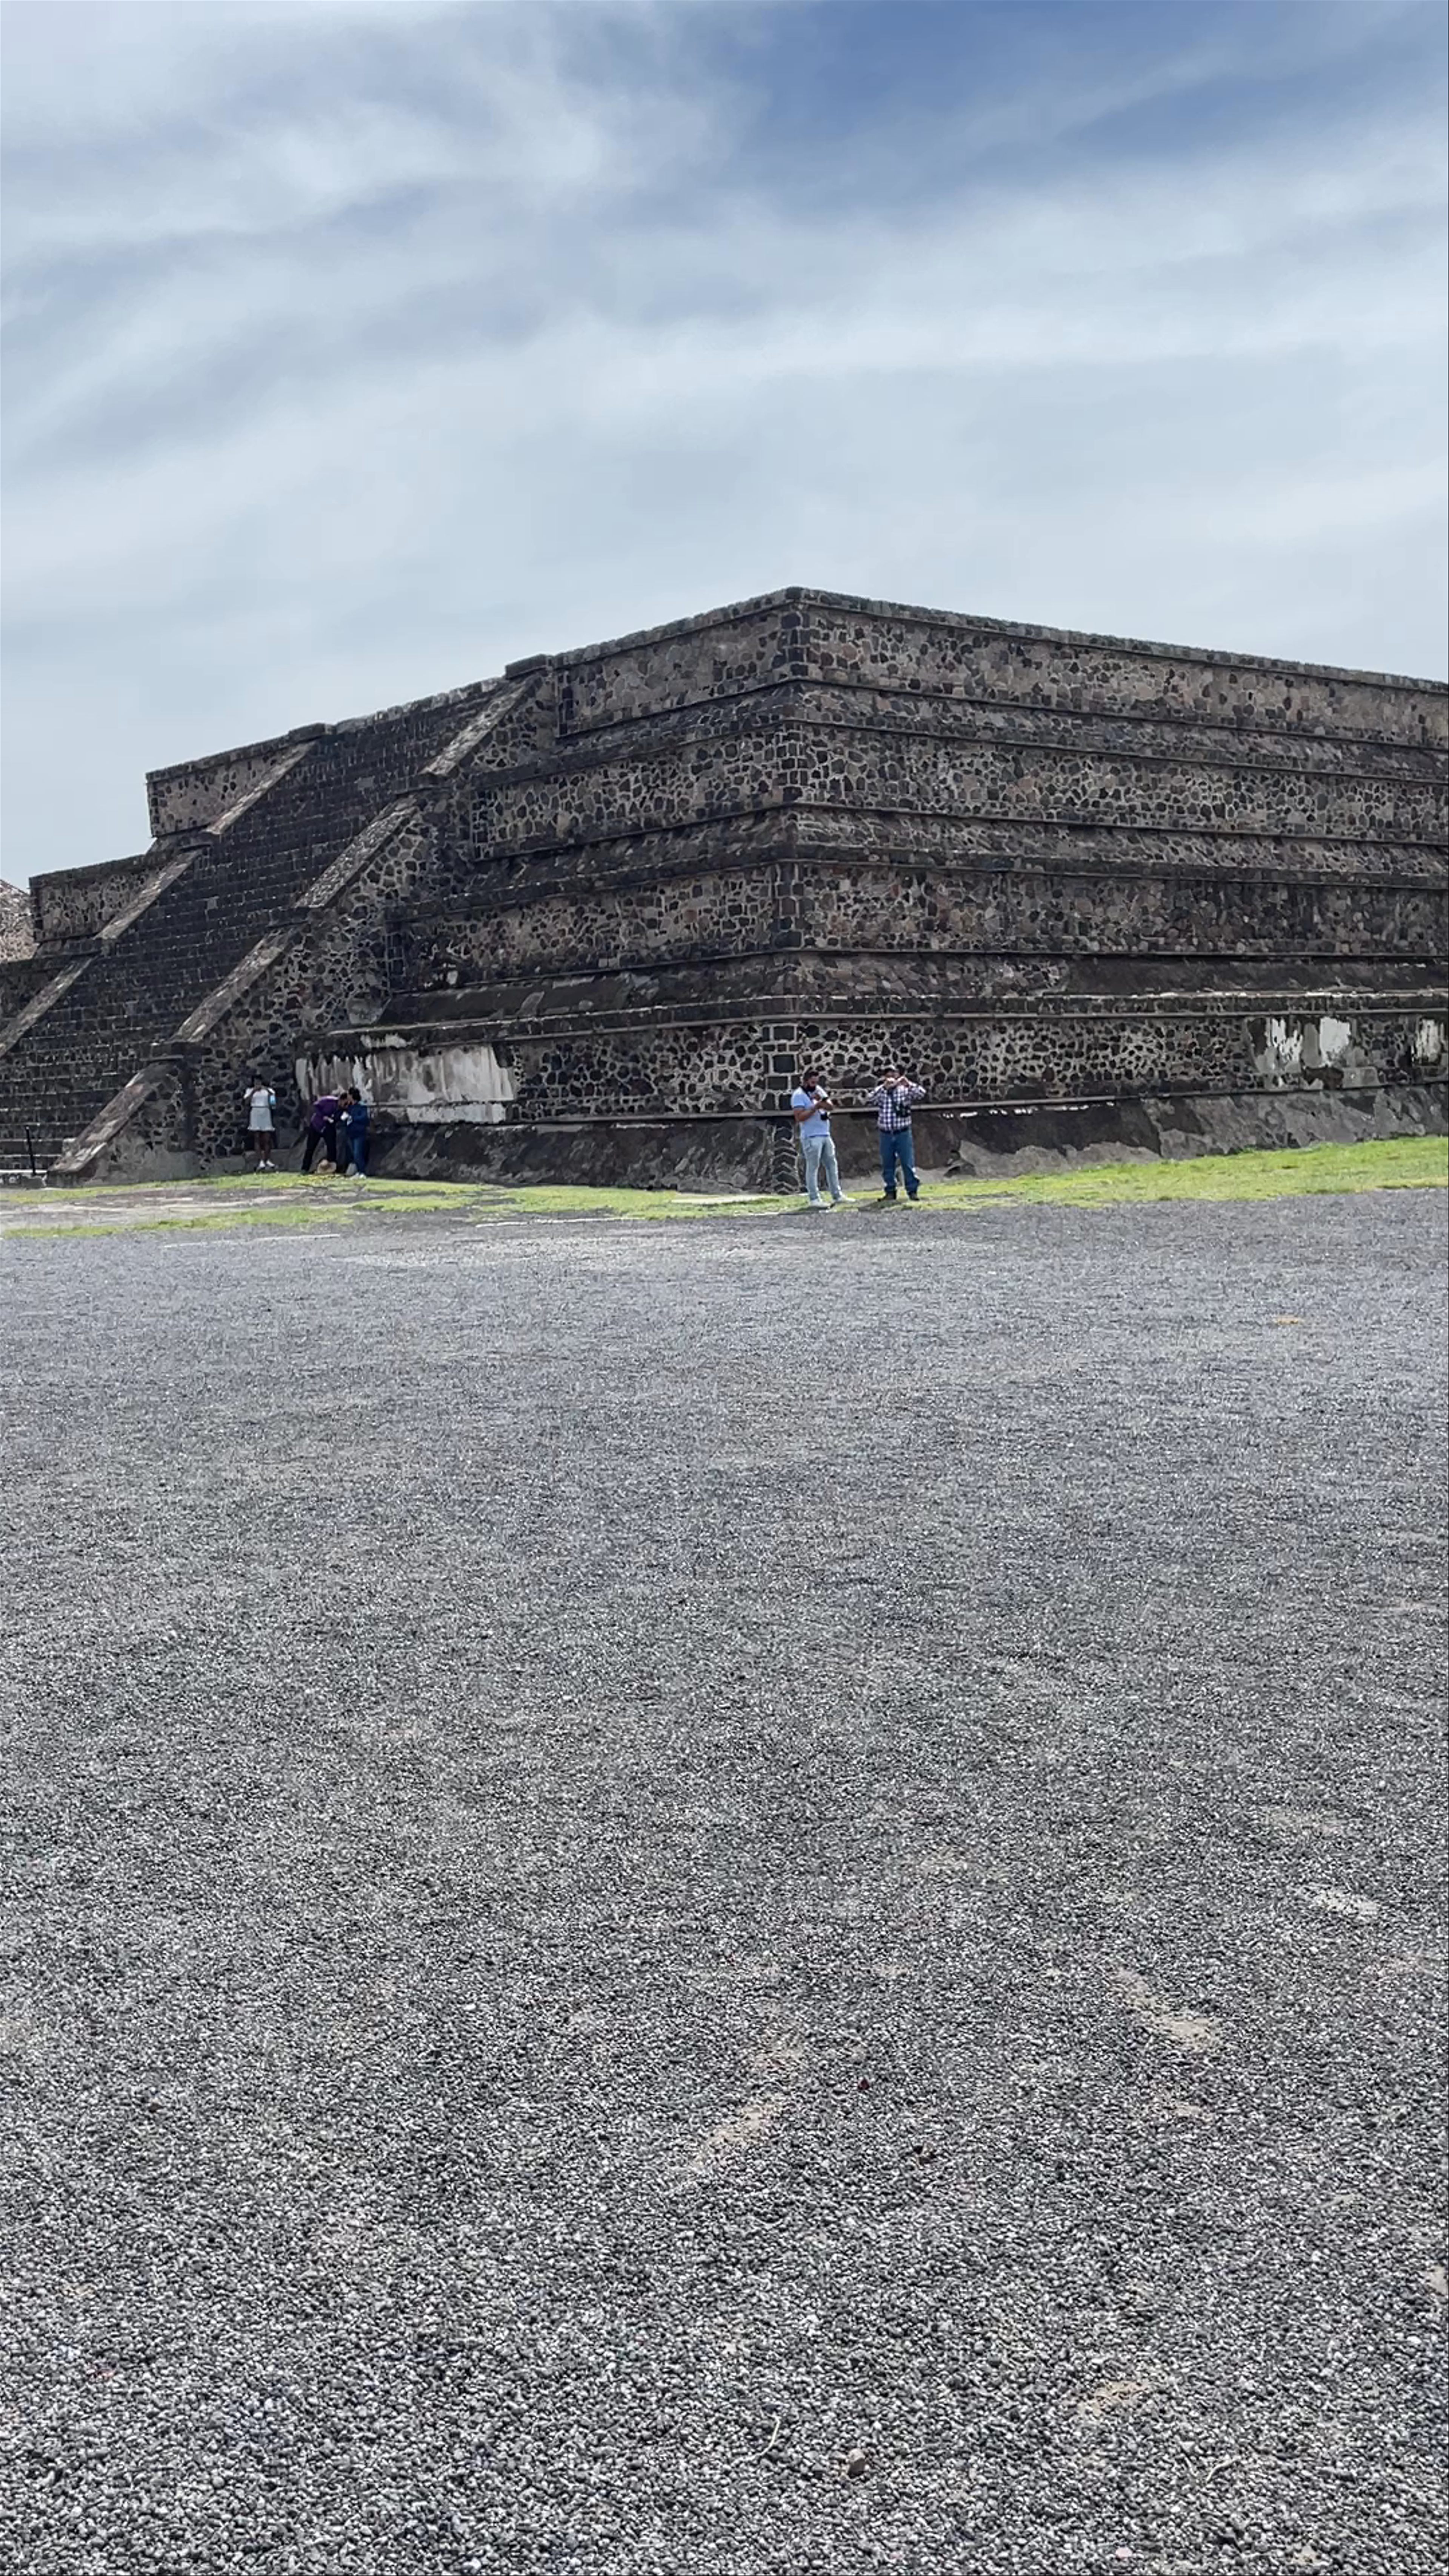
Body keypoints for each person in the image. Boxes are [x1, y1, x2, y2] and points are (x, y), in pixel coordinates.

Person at [789, 1067, 848, 1210]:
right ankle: (814, 1198)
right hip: (811, 1137)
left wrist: (822, 1102)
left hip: (825, 1134)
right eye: (812, 1082)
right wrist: (815, 1109)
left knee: (832, 1165)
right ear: (805, 1081)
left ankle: (837, 1195)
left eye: (816, 1082)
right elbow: (799, 1117)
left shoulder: (819, 1090)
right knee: (813, 1167)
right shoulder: (798, 1096)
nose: (814, 1085)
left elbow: (831, 1107)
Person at [867, 1067, 926, 1201]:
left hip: (903, 1132)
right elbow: (869, 1099)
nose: (891, 1078)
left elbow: (921, 1093)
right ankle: (890, 1191)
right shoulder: (882, 1093)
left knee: (908, 1163)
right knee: (888, 1164)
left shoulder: (905, 1091)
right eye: (888, 1076)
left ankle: (912, 1191)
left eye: (894, 1075)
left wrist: (908, 1084)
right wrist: (883, 1087)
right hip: (886, 1133)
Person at [301, 1091, 341, 1174]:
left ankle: (332, 1168)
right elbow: (316, 1106)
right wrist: (323, 1116)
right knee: (311, 1148)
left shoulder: (342, 1109)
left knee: (332, 1147)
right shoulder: (329, 1101)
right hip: (316, 1126)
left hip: (329, 1127)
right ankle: (305, 1168)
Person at [244, 1077, 277, 1172]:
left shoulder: (269, 1091)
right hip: (256, 1112)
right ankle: (260, 1161)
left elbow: (273, 1103)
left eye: (259, 1081)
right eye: (256, 1081)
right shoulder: (249, 1091)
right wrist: (253, 1092)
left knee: (267, 1138)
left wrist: (269, 1093)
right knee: (257, 1138)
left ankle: (267, 1159)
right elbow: (247, 1102)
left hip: (266, 1112)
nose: (258, 1083)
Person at [340, 1087, 371, 1177]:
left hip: (359, 1134)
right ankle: (358, 1172)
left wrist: (353, 1118)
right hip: (351, 1134)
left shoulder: (361, 1107)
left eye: (349, 1095)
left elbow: (364, 1118)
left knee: (358, 1154)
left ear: (352, 1096)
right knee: (354, 1154)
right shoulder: (349, 1107)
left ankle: (363, 1172)